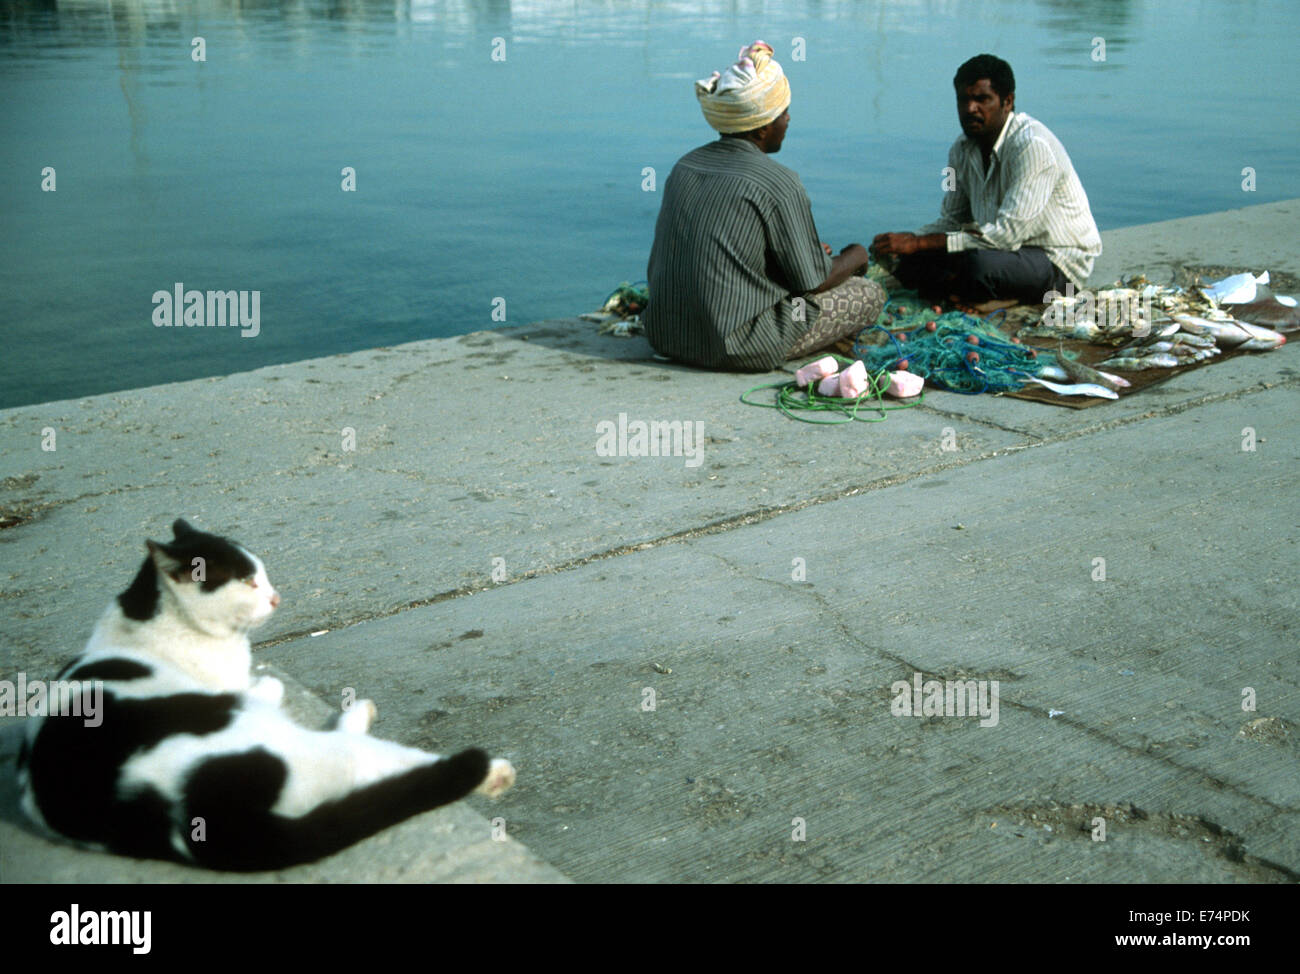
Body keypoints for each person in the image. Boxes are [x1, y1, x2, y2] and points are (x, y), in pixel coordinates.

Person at [643, 41, 883, 371]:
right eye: (783, 113)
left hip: (666, 335)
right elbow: (813, 281)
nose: (788, 119)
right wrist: (856, 255)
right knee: (868, 294)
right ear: (764, 126)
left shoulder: (685, 166)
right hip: (736, 345)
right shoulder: (779, 182)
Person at [871, 54, 1101, 308]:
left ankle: (995, 298)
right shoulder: (961, 149)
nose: (970, 109)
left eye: (981, 100)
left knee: (977, 267)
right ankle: (975, 293)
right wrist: (907, 241)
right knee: (910, 260)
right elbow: (952, 219)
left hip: (1056, 260)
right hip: (1000, 251)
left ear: (1007, 102)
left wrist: (918, 243)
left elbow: (1006, 236)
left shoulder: (1032, 147)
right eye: (964, 99)